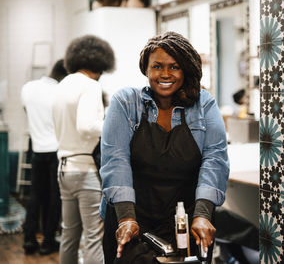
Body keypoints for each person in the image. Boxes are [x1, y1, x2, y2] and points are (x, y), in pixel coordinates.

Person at [100, 31, 230, 264]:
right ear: (146, 70)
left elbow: (215, 158)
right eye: (157, 66)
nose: (165, 74)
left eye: (174, 67)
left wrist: (202, 214)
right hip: (131, 218)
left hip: (185, 219)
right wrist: (126, 219)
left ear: (186, 70)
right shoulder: (126, 103)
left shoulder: (204, 104)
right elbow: (115, 159)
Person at [52, 35, 115, 264]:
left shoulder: (61, 86)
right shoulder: (90, 86)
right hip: (86, 170)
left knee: (69, 235)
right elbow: (87, 126)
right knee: (94, 238)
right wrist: (114, 125)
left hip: (64, 169)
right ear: (100, 63)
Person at [21, 59, 68, 255]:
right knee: (55, 197)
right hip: (56, 149)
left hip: (37, 148)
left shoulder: (28, 88)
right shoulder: (60, 92)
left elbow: (26, 110)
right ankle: (48, 241)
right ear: (64, 76)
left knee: (35, 196)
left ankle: (29, 240)